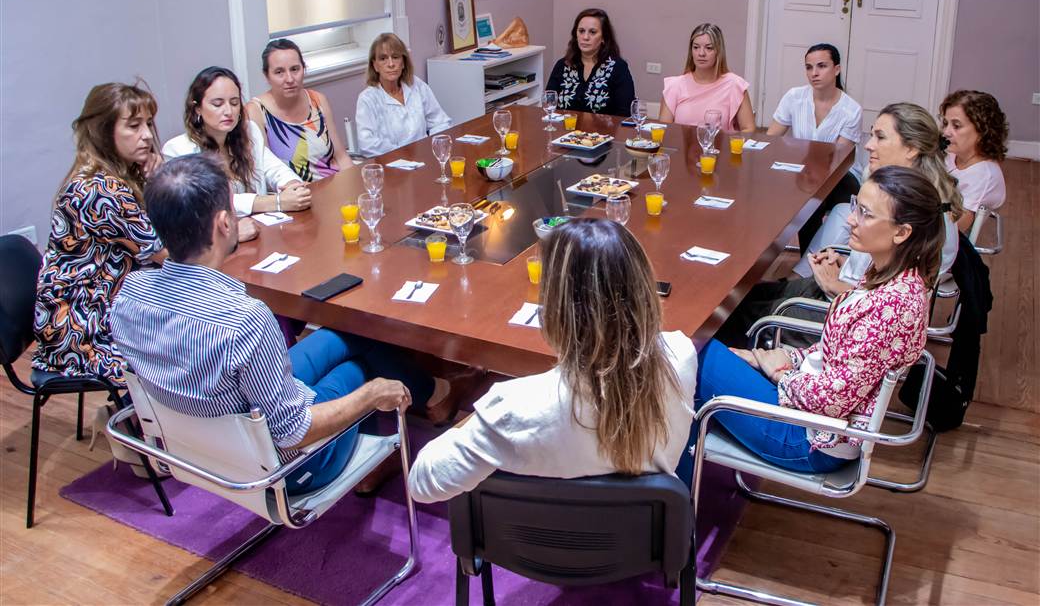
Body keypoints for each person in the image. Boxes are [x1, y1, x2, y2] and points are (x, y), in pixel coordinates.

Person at [110, 154, 443, 495]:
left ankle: (429, 391)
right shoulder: (244, 320)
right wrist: (372, 394)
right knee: (362, 369)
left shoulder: (128, 296)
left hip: (194, 451)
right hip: (286, 466)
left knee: (348, 332)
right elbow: (293, 432)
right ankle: (404, 416)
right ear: (224, 223)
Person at [407, 219, 697, 503]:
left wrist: (477, 420)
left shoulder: (513, 408)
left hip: (530, 548)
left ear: (553, 309)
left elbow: (422, 484)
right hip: (646, 544)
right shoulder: (681, 355)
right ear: (644, 290)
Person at [685, 166, 943, 479]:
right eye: (855, 207)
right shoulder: (892, 279)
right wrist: (769, 357)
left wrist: (780, 371)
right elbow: (834, 355)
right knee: (706, 349)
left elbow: (832, 401)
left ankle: (673, 497)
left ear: (902, 232)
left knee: (689, 351)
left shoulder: (891, 307)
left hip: (809, 439)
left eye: (866, 214)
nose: (851, 219)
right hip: (812, 417)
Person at [715, 102, 963, 348]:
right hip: (839, 293)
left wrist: (836, 285)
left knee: (727, 318)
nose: (868, 145)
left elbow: (886, 310)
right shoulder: (905, 196)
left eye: (880, 137)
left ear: (911, 149)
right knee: (735, 299)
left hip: (840, 319)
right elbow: (882, 276)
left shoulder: (918, 215)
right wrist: (846, 264)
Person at [33, 82, 167, 383]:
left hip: (107, 307)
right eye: (134, 126)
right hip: (83, 330)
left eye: (147, 124)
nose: (147, 135)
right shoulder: (100, 190)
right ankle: (136, 423)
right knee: (194, 347)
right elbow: (166, 251)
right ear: (103, 131)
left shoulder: (117, 175)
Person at [163, 66, 311, 222]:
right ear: (197, 108)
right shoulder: (178, 150)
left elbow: (274, 169)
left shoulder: (249, 131)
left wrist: (293, 186)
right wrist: (278, 201)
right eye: (218, 104)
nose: (228, 111)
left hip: (260, 231)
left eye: (234, 103)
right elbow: (212, 203)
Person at [768, 43, 863, 255]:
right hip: (803, 170)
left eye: (821, 66)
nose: (814, 73)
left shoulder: (851, 109)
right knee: (783, 192)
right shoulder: (794, 96)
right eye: (809, 67)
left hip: (840, 175)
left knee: (811, 199)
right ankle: (800, 263)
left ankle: (816, 265)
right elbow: (771, 138)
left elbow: (836, 157)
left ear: (836, 69)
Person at [245, 38, 353, 181]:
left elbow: (341, 156)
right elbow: (263, 172)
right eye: (279, 72)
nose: (289, 79)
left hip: (333, 186)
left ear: (304, 69)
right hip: (293, 197)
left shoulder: (318, 100)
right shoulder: (255, 112)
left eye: (295, 69)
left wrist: (356, 186)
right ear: (267, 76)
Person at [355, 33, 452, 157]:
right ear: (375, 65)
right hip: (391, 164)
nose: (391, 64)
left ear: (403, 62)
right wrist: (403, 153)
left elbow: (441, 122)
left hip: (425, 157)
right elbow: (366, 144)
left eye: (395, 57)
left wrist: (432, 146)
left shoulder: (416, 85)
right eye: (383, 58)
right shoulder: (367, 99)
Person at [659, 22, 755, 132]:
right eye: (696, 47)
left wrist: (729, 145)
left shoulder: (735, 85)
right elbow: (663, 131)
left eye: (709, 48)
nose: (701, 53)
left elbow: (749, 129)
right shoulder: (674, 86)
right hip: (682, 148)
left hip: (720, 148)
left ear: (718, 51)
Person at [545, 8, 635, 117]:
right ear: (575, 35)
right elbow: (549, 103)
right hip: (566, 131)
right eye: (581, 31)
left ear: (604, 38)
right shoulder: (563, 65)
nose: (585, 37)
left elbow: (624, 114)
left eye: (592, 32)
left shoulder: (618, 68)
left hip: (604, 133)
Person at [940, 90, 1008, 232]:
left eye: (956, 126)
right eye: (945, 123)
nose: (946, 132)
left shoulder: (983, 176)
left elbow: (954, 230)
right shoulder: (952, 155)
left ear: (982, 130)